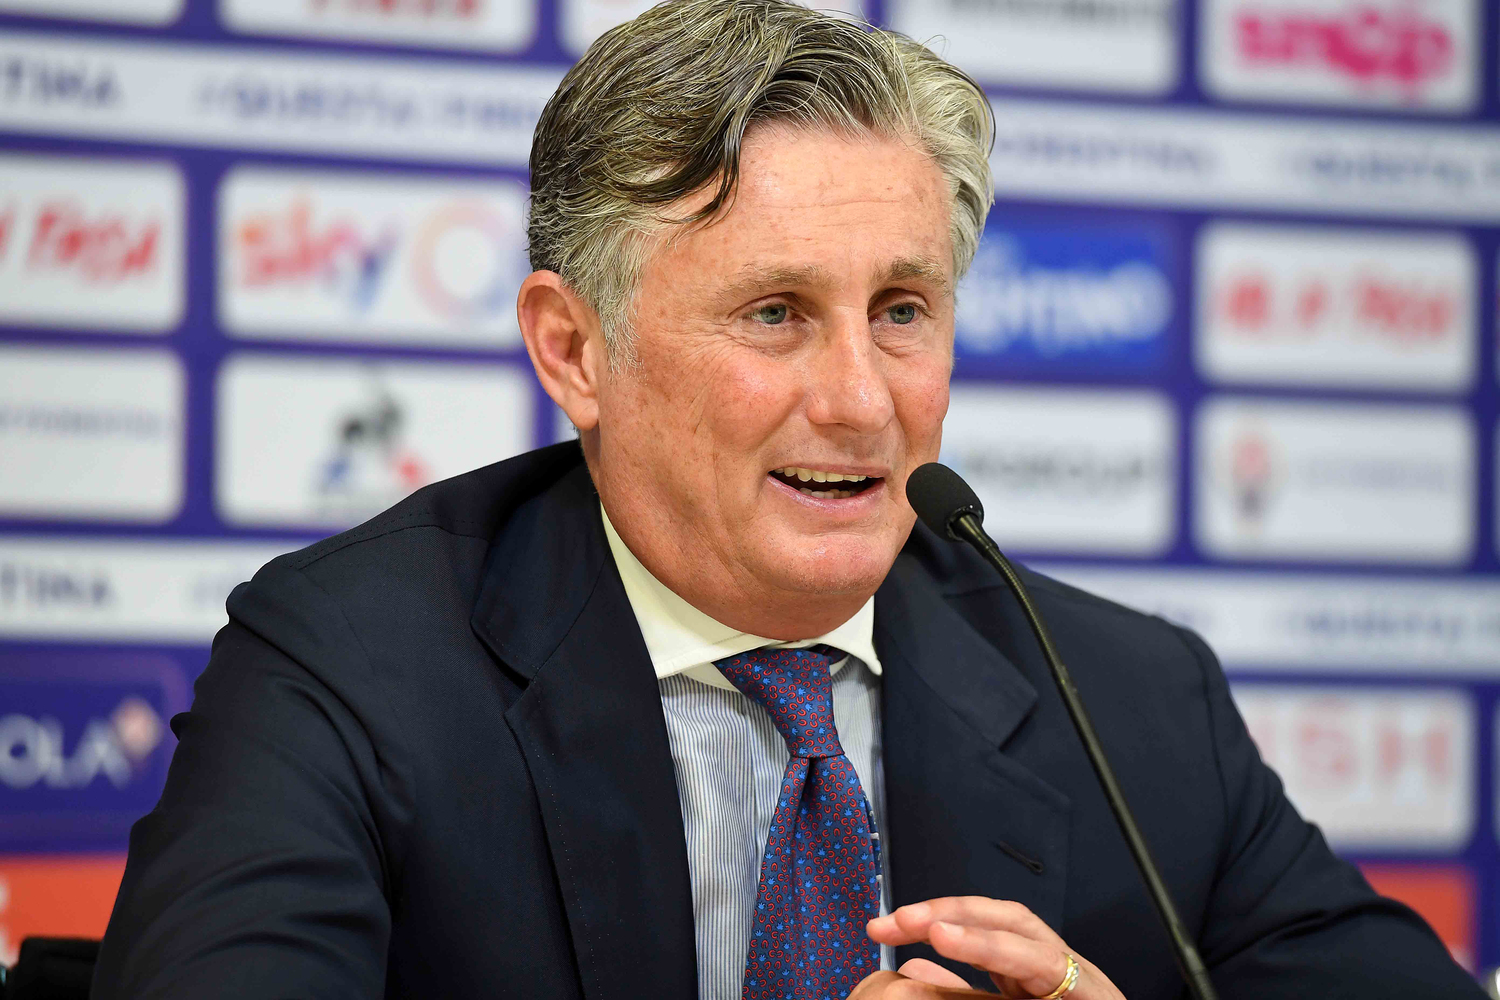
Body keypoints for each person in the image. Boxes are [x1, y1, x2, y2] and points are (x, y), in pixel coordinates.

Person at [93, 2, 1483, 998]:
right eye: (775, 313)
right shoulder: (354, 668)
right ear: (574, 350)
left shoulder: (1131, 704)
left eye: (902, 310)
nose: (863, 399)